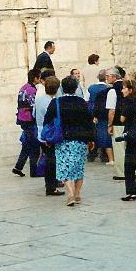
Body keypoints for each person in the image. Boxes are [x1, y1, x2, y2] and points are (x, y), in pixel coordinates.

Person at [43, 76, 95, 206]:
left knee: (63, 166)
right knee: (78, 167)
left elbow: (47, 120)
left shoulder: (56, 102)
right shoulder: (82, 102)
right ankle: (77, 194)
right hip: (80, 139)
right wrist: (91, 139)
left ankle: (70, 193)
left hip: (63, 139)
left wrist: (48, 138)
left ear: (62, 87)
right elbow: (89, 122)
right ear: (76, 87)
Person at [34, 76, 64, 196]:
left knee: (48, 158)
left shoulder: (39, 100)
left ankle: (50, 185)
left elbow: (34, 114)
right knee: (52, 160)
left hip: (40, 132)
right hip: (49, 134)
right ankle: (51, 187)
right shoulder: (52, 102)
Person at [12, 69, 41, 177]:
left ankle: (18, 167)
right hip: (29, 120)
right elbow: (34, 107)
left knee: (27, 145)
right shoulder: (31, 90)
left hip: (22, 119)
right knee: (34, 146)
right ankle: (34, 171)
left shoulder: (23, 88)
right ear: (35, 78)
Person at [105, 66, 129, 179]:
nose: (106, 78)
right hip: (130, 121)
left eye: (108, 76)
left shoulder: (112, 91)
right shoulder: (128, 86)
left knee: (119, 149)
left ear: (114, 77)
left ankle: (122, 172)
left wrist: (110, 125)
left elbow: (112, 111)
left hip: (118, 123)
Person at [87, 70, 114, 164]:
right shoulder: (108, 88)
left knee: (94, 132)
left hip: (93, 111)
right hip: (104, 112)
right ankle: (104, 154)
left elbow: (87, 99)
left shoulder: (91, 88)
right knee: (104, 133)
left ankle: (91, 153)